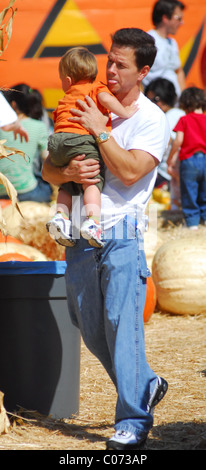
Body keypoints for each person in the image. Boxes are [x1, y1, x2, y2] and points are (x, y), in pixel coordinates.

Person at [42, 28, 170, 450]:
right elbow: (49, 169)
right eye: (109, 60)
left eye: (121, 65)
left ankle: (133, 419)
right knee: (89, 324)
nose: (110, 70)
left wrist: (100, 131)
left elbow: (131, 170)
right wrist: (69, 174)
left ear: (144, 71)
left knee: (121, 323)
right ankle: (146, 384)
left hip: (120, 232)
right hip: (80, 230)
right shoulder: (90, 97)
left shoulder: (151, 119)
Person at [46, 46, 137, 248]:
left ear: (68, 81)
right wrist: (124, 112)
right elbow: (106, 100)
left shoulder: (64, 98)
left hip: (57, 142)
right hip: (81, 140)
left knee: (67, 184)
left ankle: (60, 216)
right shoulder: (96, 87)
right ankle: (93, 222)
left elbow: (58, 122)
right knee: (91, 182)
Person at [0, 84, 52, 202]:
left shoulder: (2, 126)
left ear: (12, 105)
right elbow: (47, 158)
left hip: (1, 191)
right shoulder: (39, 126)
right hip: (26, 191)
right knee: (45, 186)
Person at [167, 86, 206, 229]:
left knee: (189, 192)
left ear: (184, 103)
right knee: (204, 192)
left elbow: (178, 141)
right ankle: (204, 218)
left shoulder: (184, 120)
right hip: (205, 159)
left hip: (189, 161)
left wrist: (170, 159)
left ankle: (192, 223)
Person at [145, 77, 185, 209]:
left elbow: (167, 141)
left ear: (164, 97)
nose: (150, 104)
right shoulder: (179, 113)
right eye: (148, 100)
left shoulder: (171, 115)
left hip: (166, 173)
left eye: (154, 100)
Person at [142, 0, 185, 98]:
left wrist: (183, 99)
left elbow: (178, 71)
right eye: (179, 18)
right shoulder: (148, 41)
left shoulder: (172, 43)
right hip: (157, 104)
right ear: (165, 18)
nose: (182, 23)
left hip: (175, 104)